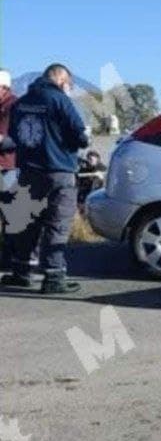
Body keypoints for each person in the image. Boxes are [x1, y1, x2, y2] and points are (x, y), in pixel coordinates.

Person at [2, 64, 90, 293]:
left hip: (28, 171)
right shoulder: (60, 100)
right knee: (57, 224)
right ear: (61, 80)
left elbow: (12, 138)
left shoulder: (21, 103)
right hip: (58, 170)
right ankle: (53, 276)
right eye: (69, 84)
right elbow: (80, 135)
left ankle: (22, 271)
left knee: (28, 223)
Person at [0, 69, 17, 270]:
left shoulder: (15, 106)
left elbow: (20, 138)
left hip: (8, 167)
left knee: (11, 216)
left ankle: (9, 258)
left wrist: (3, 141)